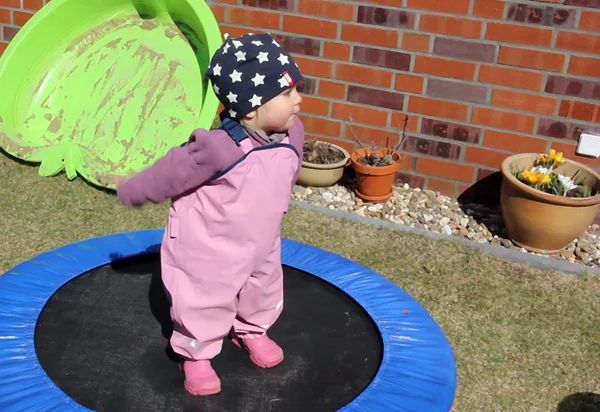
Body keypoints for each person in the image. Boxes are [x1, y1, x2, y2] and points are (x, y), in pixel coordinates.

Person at [114, 32, 304, 396]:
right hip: (208, 244)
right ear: (250, 108)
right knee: (203, 296)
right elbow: (171, 171)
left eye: (296, 88)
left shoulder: (293, 133)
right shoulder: (219, 147)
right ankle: (196, 352)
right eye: (286, 93)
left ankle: (252, 329)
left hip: (260, 240)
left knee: (262, 287)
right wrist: (133, 189)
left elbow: (286, 172)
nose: (298, 100)